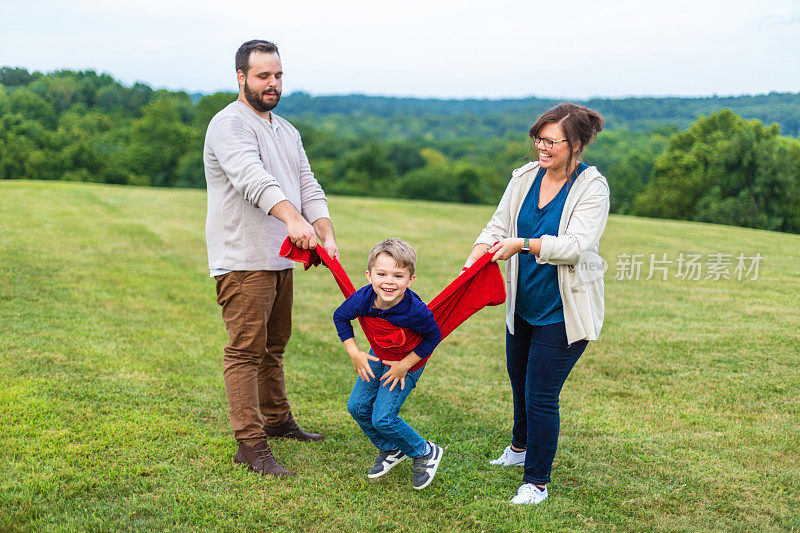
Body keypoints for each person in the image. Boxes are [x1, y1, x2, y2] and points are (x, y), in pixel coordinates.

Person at [204, 40, 338, 477]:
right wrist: (292, 219)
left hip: (280, 260)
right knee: (245, 352)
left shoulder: (285, 129)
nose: (272, 84)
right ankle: (250, 443)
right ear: (240, 77)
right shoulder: (229, 125)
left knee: (274, 346)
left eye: (278, 75)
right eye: (263, 76)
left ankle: (278, 422)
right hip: (244, 260)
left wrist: (324, 230)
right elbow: (252, 180)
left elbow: (306, 182)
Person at [464, 103, 609, 505]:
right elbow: (497, 223)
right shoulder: (524, 177)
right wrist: (478, 251)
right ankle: (520, 448)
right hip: (523, 303)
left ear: (576, 144)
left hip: (563, 310)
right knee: (518, 379)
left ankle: (536, 483)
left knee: (541, 394)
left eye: (551, 141)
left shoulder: (592, 188)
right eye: (538, 139)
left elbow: (577, 246)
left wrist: (522, 244)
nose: (541, 148)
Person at [333, 239, 444, 490]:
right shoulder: (363, 298)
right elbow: (340, 316)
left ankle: (425, 451)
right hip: (378, 353)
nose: (389, 281)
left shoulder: (416, 311)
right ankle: (391, 449)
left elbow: (433, 337)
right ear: (369, 275)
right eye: (381, 274)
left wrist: (404, 365)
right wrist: (354, 352)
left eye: (398, 275)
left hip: (408, 362)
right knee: (357, 407)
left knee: (383, 418)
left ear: (410, 279)